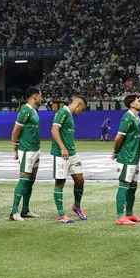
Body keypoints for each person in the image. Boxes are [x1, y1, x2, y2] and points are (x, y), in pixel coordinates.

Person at [51, 94, 87, 224]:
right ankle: (61, 214)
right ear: (78, 104)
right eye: (82, 109)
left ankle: (76, 206)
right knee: (60, 182)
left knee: (80, 180)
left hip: (72, 153)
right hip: (62, 154)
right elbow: (54, 130)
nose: (81, 112)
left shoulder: (69, 115)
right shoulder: (62, 112)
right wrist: (62, 147)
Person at [9, 88, 44, 221]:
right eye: (40, 96)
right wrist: (15, 148)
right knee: (24, 179)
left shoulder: (34, 111)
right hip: (26, 150)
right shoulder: (25, 110)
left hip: (35, 150)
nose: (41, 98)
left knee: (31, 180)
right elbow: (15, 131)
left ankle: (25, 210)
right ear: (35, 96)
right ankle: (14, 212)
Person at [113, 94, 140, 226]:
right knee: (124, 185)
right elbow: (118, 137)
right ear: (131, 104)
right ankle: (120, 216)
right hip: (126, 158)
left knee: (133, 186)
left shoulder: (137, 117)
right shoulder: (127, 117)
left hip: (134, 158)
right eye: (139, 100)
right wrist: (116, 152)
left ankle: (130, 214)